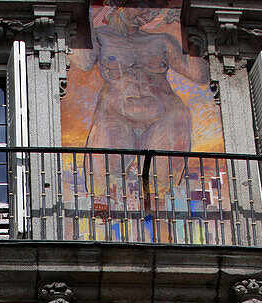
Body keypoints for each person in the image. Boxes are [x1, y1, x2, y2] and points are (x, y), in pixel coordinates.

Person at [70, 1, 209, 205]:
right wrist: (86, 15)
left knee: (161, 190)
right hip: (115, 112)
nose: (146, 14)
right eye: (141, 7)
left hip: (165, 115)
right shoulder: (101, 36)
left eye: (151, 10)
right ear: (119, 5)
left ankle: (162, 230)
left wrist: (192, 32)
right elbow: (83, 62)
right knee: (102, 187)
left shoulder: (162, 40)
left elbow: (199, 76)